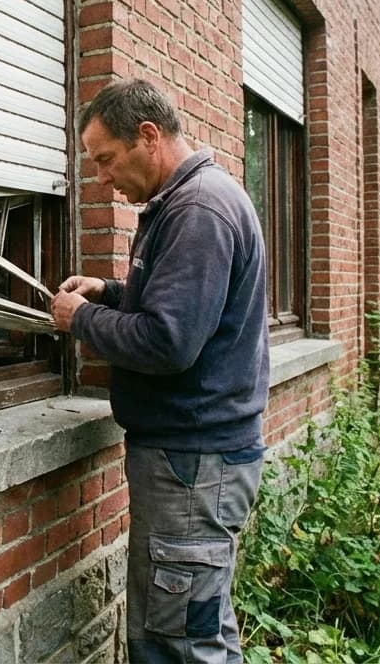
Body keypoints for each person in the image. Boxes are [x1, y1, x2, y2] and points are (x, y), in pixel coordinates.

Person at [51, 78, 269, 664]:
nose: (102, 178)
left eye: (105, 159)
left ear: (148, 136)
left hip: (193, 463)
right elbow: (184, 307)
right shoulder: (193, 200)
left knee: (179, 644)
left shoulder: (197, 211)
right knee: (197, 629)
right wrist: (111, 292)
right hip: (196, 460)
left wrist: (81, 319)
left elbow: (169, 342)